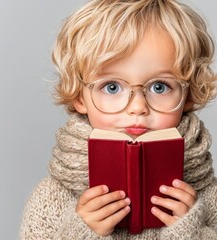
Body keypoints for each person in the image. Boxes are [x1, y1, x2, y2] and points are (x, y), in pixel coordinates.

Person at [20, 0, 217, 239]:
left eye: (159, 86)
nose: (137, 107)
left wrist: (191, 233)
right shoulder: (50, 198)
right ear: (78, 96)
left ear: (189, 94)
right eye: (112, 87)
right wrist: (80, 234)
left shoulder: (209, 196)